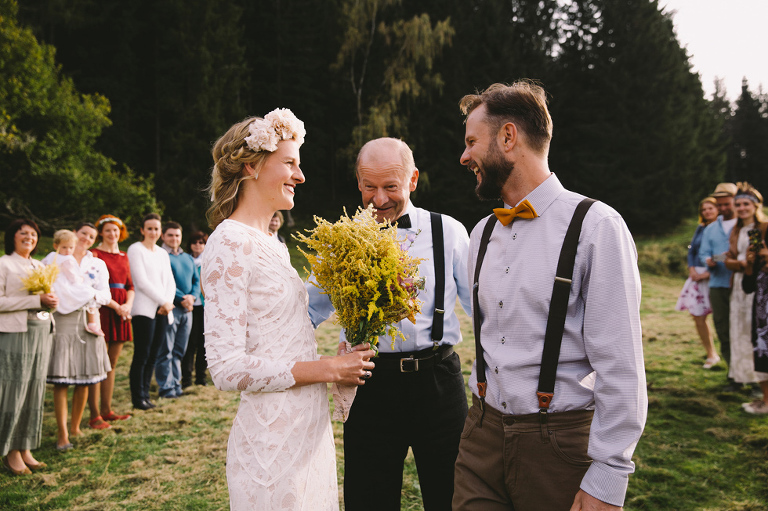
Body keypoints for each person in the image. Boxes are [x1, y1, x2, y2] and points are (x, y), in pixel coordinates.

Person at [453, 82, 647, 511]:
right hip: (480, 435)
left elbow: (621, 365)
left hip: (557, 445)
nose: (464, 157)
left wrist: (610, 474)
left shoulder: (596, 226)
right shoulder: (480, 233)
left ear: (508, 137)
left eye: (471, 142)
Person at [202, 109, 375, 510]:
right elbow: (226, 368)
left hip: (306, 430)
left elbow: (286, 332)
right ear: (251, 165)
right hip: (270, 440)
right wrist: (327, 369)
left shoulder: (272, 245)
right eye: (290, 163)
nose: (300, 176)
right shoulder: (230, 243)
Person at [307, 137, 472, 510]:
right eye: (369, 186)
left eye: (390, 187)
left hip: (439, 382)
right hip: (371, 385)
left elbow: (483, 311)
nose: (379, 199)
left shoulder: (450, 232)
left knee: (453, 496)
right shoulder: (340, 242)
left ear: (413, 180)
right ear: (358, 182)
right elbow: (306, 310)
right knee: (369, 498)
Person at [46, 222, 113, 451]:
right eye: (83, 233)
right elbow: (56, 290)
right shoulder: (54, 258)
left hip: (90, 320)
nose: (87, 238)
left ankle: (75, 426)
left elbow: (105, 295)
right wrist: (86, 295)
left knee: (86, 376)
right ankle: (62, 433)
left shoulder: (97, 263)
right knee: (62, 378)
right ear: (75, 234)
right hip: (65, 319)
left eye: (92, 236)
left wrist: (86, 294)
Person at [0, 219, 57, 475]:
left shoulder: (38, 264)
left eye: (33, 234)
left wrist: (50, 303)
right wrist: (36, 299)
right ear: (12, 237)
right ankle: (10, 451)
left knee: (35, 389)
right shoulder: (4, 263)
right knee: (16, 388)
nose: (29, 237)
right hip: (16, 332)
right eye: (23, 233)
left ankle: (25, 447)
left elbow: (45, 298)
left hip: (41, 330)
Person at [127, 213, 176, 410]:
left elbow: (170, 281)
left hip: (163, 310)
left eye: (156, 229)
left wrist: (168, 303)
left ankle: (146, 394)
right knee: (142, 354)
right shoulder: (135, 250)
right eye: (149, 228)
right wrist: (162, 300)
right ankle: (137, 397)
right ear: (142, 230)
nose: (153, 232)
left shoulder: (162, 253)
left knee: (154, 354)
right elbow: (141, 282)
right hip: (144, 309)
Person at [724, 183, 768, 399]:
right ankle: (740, 377)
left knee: (754, 331)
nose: (741, 208)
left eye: (746, 204)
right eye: (738, 204)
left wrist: (745, 263)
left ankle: (757, 379)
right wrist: (738, 264)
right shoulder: (736, 229)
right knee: (738, 329)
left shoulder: (762, 228)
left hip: (757, 285)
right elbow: (729, 259)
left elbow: (758, 257)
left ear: (755, 205)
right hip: (739, 285)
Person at [91, 215, 134, 422]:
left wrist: (127, 306)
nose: (112, 234)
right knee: (98, 362)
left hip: (122, 310)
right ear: (101, 232)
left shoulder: (124, 256)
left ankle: (108, 409)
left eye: (116, 230)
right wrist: (116, 306)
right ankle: (95, 412)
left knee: (112, 363)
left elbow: (130, 286)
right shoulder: (94, 254)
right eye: (108, 230)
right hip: (103, 307)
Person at [699, 182, 739, 390]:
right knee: (723, 330)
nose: (723, 208)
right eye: (720, 204)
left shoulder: (746, 224)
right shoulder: (712, 228)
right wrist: (707, 260)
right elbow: (703, 251)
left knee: (746, 332)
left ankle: (756, 378)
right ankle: (734, 376)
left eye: (726, 204)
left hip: (743, 285)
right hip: (718, 283)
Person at [154, 221, 199, 398]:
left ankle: (176, 385)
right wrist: (181, 298)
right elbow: (164, 282)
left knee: (180, 349)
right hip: (171, 307)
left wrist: (192, 297)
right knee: (166, 349)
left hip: (188, 309)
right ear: (163, 236)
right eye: (170, 235)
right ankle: (166, 388)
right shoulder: (160, 256)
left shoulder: (187, 257)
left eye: (177, 235)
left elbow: (197, 280)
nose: (174, 238)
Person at [675, 197, 720, 368]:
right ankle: (711, 353)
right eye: (704, 209)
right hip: (697, 275)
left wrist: (708, 272)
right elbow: (692, 250)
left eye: (710, 208)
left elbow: (726, 254)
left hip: (716, 274)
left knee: (721, 318)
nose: (707, 212)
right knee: (697, 316)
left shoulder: (723, 229)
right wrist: (692, 268)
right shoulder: (701, 228)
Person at [45, 230, 104, 337]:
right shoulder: (68, 259)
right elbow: (72, 277)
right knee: (89, 293)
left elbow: (43, 265)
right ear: (56, 246)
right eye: (64, 247)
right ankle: (92, 323)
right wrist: (80, 279)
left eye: (71, 248)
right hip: (65, 285)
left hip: (55, 284)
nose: (68, 251)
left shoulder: (51, 255)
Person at [744, 219, 768, 414]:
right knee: (761, 357)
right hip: (761, 319)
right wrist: (751, 264)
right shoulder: (760, 257)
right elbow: (748, 287)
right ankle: (766, 401)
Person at [181, 230, 208, 388]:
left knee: (203, 344)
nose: (197, 245)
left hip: (204, 307)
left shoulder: (209, 261)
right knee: (189, 344)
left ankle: (200, 377)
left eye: (201, 242)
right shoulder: (185, 261)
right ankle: (186, 378)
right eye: (194, 242)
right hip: (189, 306)